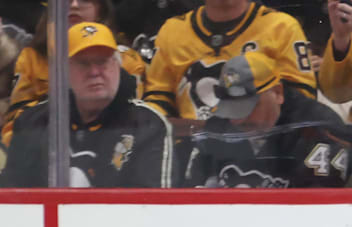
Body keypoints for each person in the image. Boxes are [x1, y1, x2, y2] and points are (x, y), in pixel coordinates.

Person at [0, 22, 172, 187]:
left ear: (117, 66)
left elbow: (151, 208)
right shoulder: (32, 122)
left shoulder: (148, 124)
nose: (95, 72)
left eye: (102, 62)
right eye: (84, 63)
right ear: (63, 72)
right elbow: (14, 200)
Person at [179, 51, 352, 188]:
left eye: (248, 108)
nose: (237, 120)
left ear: (277, 93)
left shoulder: (318, 128)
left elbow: (322, 210)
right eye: (232, 109)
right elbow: (191, 194)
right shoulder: (219, 126)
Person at [2, 0, 145, 147]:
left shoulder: (127, 60)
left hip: (111, 148)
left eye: (84, 0)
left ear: (101, 9)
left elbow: (137, 120)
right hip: (46, 149)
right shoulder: (32, 58)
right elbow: (16, 124)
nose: (74, 5)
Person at [143, 0, 315, 120]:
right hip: (185, 151)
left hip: (261, 149)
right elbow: (157, 100)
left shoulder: (282, 28)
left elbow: (302, 103)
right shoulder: (171, 31)